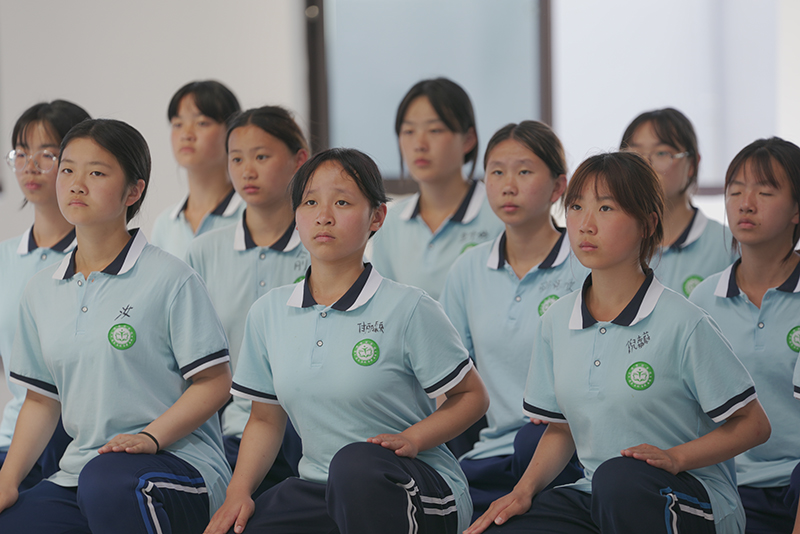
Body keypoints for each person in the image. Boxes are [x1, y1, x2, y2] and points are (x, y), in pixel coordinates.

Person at [467, 151, 771, 534]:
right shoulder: (556, 321)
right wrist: (523, 492)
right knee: (505, 526)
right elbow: (561, 428)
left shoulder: (684, 322)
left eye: (606, 208)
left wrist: (676, 458)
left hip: (689, 496)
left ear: (648, 224)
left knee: (619, 480)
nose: (586, 224)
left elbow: (754, 425)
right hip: (596, 493)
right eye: (576, 207)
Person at [203, 148, 489, 534]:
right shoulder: (268, 312)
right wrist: (238, 492)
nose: (324, 216)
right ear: (296, 215)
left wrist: (413, 438)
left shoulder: (409, 308)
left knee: (355, 465)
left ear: (377, 216)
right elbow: (265, 419)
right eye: (310, 202)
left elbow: (472, 396)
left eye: (342, 202)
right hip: (319, 488)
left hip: (415, 486)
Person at [0, 119, 232, 533]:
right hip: (83, 470)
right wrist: (7, 481)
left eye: (96, 173)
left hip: (178, 464)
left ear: (133, 191)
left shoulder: (171, 278)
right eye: (67, 170)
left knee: (107, 483)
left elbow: (214, 382)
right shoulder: (41, 290)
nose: (76, 185)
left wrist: (151, 437)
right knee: (18, 521)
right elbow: (41, 401)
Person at [440, 120, 585, 520]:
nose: (508, 185)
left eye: (524, 171)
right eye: (496, 172)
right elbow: (446, 378)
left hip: (571, 449)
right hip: (491, 451)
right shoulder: (468, 269)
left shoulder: (585, 264)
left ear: (558, 187)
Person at [186, 106, 310, 494]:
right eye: (236, 159)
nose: (247, 171)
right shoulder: (204, 251)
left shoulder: (323, 247)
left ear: (299, 160)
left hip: (311, 426)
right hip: (232, 428)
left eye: (261, 157)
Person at [690, 137, 800, 534]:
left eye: (765, 192)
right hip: (729, 483)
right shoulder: (703, 299)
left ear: (797, 210)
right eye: (735, 191)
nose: (745, 204)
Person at [0, 100, 90, 489]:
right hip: (14, 437)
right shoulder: (4, 258)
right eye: (21, 153)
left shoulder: (98, 258)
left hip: (79, 441)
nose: (30, 166)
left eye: (47, 154)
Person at [369, 77, 504, 300]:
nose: (419, 144)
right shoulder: (391, 222)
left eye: (435, 130)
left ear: (468, 139)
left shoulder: (499, 215)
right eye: (408, 131)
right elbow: (384, 307)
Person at [621, 108, 733, 297]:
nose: (646, 164)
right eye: (635, 154)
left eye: (661, 153)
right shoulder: (613, 241)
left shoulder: (727, 246)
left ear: (692, 164)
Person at [151, 80, 243, 258]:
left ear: (232, 132)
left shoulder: (251, 214)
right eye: (178, 124)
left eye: (201, 123)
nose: (186, 134)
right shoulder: (165, 225)